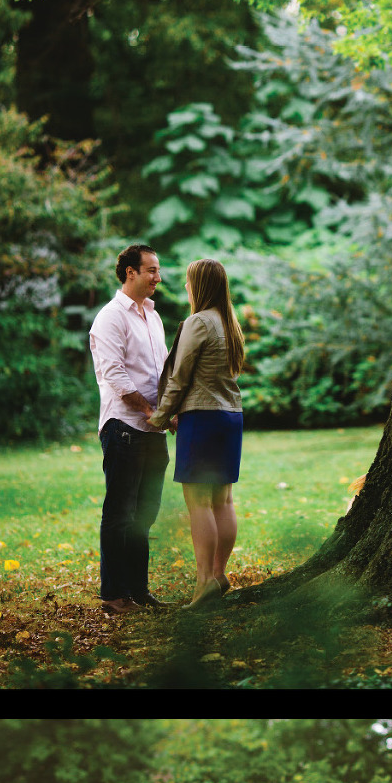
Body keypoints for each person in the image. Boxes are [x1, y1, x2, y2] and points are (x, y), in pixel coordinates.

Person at [146, 257, 244, 609]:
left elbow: (180, 376)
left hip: (202, 417)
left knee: (199, 502)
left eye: (189, 281)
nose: (186, 287)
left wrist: (160, 417)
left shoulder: (198, 322)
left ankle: (204, 582)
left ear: (199, 286)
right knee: (223, 500)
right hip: (231, 417)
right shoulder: (228, 322)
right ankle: (218, 575)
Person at [89, 243, 170, 615]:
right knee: (120, 512)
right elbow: (115, 375)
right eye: (151, 270)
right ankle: (113, 596)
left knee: (145, 513)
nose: (158, 277)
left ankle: (138, 590)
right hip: (125, 427)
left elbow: (161, 371)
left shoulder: (152, 316)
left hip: (154, 430)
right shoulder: (110, 317)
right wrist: (150, 410)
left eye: (158, 269)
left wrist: (167, 412)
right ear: (130, 272)